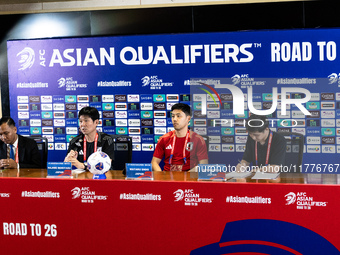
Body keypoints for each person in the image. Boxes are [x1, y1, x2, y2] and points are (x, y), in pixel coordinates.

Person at [152, 103, 208, 171]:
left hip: (189, 178)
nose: (175, 119)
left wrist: (185, 177)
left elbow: (203, 165)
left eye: (178, 116)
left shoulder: (198, 140)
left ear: (188, 118)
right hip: (167, 178)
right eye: (173, 116)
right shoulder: (164, 139)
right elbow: (154, 162)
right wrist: (162, 177)